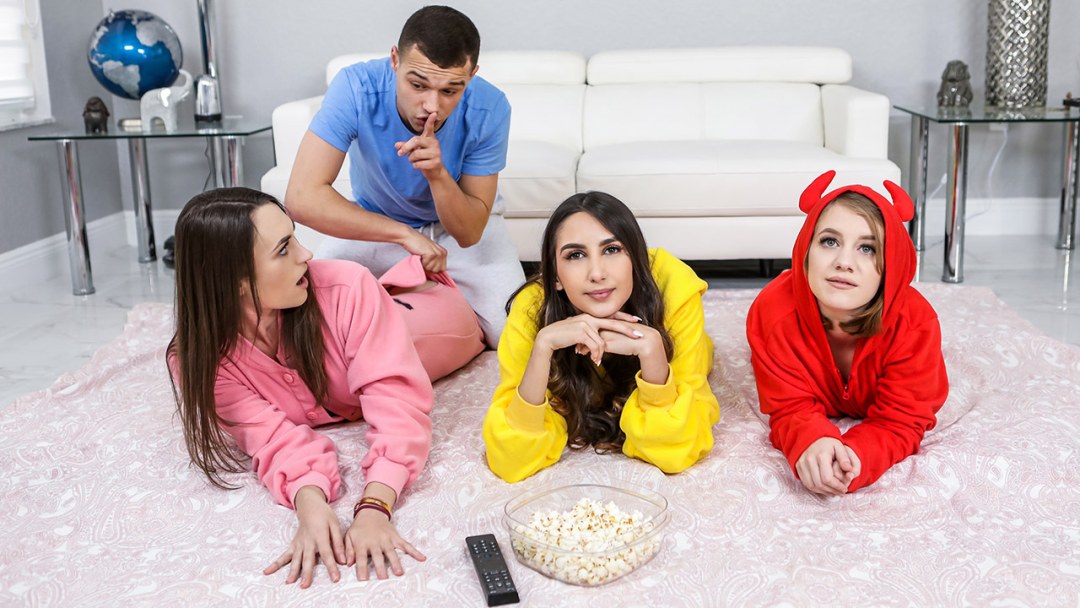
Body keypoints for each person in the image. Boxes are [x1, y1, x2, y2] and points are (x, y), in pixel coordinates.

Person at [167, 188, 433, 588]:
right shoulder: (200, 362)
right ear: (235, 281)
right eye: (283, 248)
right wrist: (310, 504)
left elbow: (398, 403)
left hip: (426, 325)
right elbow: (270, 438)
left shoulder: (349, 287)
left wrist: (375, 506)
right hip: (375, 324)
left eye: (294, 237)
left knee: (463, 329)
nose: (306, 254)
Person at [285, 5, 524, 350]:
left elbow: (469, 232)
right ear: (395, 60)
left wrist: (438, 175)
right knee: (306, 325)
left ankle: (450, 320)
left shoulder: (491, 107)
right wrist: (403, 234)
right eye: (417, 84)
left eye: (450, 90)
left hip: (460, 232)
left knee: (515, 338)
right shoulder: (356, 87)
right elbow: (301, 198)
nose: (432, 106)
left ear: (472, 76)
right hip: (377, 224)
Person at [482, 192, 721, 483]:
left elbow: (677, 451)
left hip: (674, 338)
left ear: (636, 259)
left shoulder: (675, 293)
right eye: (575, 255)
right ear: (555, 276)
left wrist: (654, 357)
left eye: (612, 249)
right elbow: (511, 459)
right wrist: (542, 348)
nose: (597, 274)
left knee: (701, 357)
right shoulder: (532, 309)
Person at [746, 171, 949, 496]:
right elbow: (789, 407)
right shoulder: (772, 313)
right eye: (830, 241)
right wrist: (811, 441)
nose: (844, 262)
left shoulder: (916, 325)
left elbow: (902, 420)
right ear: (806, 249)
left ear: (893, 263)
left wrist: (856, 457)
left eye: (867, 248)